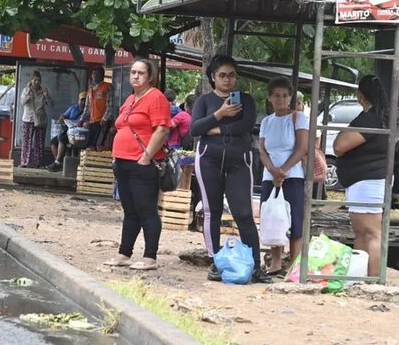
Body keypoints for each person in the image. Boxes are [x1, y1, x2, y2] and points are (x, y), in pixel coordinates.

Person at [190, 54, 272, 284]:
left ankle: (255, 266)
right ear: (213, 78)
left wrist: (214, 128)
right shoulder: (204, 101)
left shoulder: (245, 100)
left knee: (244, 214)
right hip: (208, 159)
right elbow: (195, 129)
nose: (228, 80)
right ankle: (215, 262)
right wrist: (220, 115)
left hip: (239, 160)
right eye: (222, 75)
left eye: (232, 75)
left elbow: (246, 126)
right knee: (211, 211)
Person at [104, 59, 171, 271]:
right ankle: (124, 253)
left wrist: (146, 157)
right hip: (123, 162)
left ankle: (150, 256)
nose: (135, 76)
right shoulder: (131, 99)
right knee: (130, 211)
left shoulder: (156, 98)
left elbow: (162, 129)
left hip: (142, 163)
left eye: (141, 73)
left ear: (150, 76)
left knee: (147, 210)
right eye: (133, 72)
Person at [333, 75, 389, 276]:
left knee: (372, 234)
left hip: (367, 182)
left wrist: (342, 134)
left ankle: (373, 278)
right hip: (361, 181)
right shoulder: (378, 117)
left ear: (361, 95)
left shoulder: (371, 119)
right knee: (361, 233)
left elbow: (339, 146)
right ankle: (358, 275)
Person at [259, 77, 309, 276]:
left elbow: (302, 148)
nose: (281, 100)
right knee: (273, 218)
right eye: (276, 96)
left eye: (285, 96)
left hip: (293, 175)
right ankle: (276, 262)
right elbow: (262, 150)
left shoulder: (298, 118)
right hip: (269, 176)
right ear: (270, 98)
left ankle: (294, 265)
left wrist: (283, 170)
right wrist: (273, 170)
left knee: (295, 219)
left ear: (290, 98)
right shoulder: (266, 121)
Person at [19, 71, 53, 168]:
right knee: (26, 141)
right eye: (35, 80)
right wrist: (29, 95)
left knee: (39, 142)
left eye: (39, 80)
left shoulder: (43, 91)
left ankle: (39, 163)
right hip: (28, 118)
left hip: (40, 119)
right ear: (31, 80)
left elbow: (51, 104)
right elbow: (22, 102)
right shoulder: (26, 90)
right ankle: (25, 162)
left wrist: (47, 96)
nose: (37, 82)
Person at [47, 91, 87, 172]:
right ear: (78, 100)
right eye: (81, 100)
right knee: (53, 141)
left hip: (79, 134)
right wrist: (62, 118)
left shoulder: (88, 111)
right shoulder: (73, 108)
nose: (83, 102)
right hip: (69, 129)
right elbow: (64, 116)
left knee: (62, 138)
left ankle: (57, 162)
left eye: (85, 100)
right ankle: (59, 162)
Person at [79, 66, 113, 150]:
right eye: (93, 73)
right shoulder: (90, 89)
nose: (94, 76)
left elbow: (110, 105)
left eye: (96, 74)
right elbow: (87, 107)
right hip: (92, 120)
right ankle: (90, 161)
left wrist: (105, 119)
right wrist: (82, 119)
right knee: (90, 144)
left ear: (101, 75)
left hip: (102, 121)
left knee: (99, 144)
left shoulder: (107, 87)